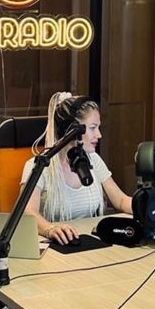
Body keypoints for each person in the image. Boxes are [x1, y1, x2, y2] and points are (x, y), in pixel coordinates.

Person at [20, 91, 132, 245]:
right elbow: (28, 212)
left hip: (89, 242)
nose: (99, 135)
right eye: (93, 128)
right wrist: (50, 229)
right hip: (57, 247)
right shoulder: (38, 166)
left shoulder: (93, 159)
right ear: (73, 130)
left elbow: (120, 200)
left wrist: (147, 208)